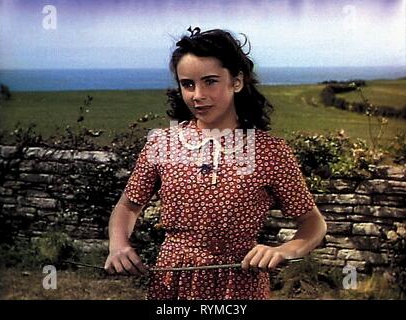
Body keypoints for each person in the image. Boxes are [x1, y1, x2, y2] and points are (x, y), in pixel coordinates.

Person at [104, 27, 327, 300]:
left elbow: (313, 223)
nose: (197, 95)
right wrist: (118, 244)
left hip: (240, 286)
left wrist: (283, 250)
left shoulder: (271, 152)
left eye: (210, 81)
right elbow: (127, 207)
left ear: (237, 81)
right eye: (188, 84)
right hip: (170, 284)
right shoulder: (162, 143)